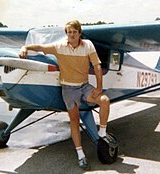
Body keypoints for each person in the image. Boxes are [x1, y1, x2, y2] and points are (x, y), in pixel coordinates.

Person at [19, 20, 110, 170]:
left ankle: (102, 133)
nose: (71, 35)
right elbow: (40, 47)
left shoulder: (88, 45)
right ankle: (81, 156)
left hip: (84, 86)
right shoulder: (59, 46)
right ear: (66, 34)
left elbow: (97, 66)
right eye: (69, 32)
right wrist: (25, 47)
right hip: (68, 89)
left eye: (74, 32)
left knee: (105, 100)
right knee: (74, 121)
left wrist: (99, 86)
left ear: (79, 33)